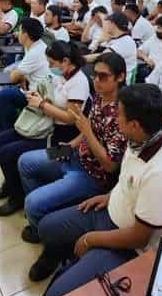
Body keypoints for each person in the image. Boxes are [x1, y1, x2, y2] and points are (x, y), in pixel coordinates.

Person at [36, 84, 162, 296]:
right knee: (47, 227)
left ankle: (76, 267)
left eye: (119, 115)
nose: (115, 118)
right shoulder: (142, 137)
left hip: (133, 248)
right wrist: (109, 196)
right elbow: (128, 176)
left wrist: (91, 238)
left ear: (134, 125)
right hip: (112, 209)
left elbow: (139, 238)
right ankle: (70, 263)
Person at [19, 52, 127, 251]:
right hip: (75, 155)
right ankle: (44, 215)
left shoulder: (123, 113)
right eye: (94, 75)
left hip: (92, 175)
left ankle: (45, 234)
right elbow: (87, 133)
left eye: (103, 77)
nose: (96, 81)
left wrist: (86, 131)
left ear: (120, 77)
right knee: (26, 161)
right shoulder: (99, 98)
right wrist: (69, 147)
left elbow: (110, 165)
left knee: (33, 202)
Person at [0, 41, 89, 216]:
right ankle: (12, 184)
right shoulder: (62, 75)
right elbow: (52, 98)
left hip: (61, 140)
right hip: (45, 125)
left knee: (8, 153)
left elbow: (71, 119)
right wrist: (38, 96)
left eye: (52, 63)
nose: (50, 67)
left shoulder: (79, 82)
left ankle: (18, 197)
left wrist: (42, 104)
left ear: (65, 61)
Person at [0, 18, 50, 154]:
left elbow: (13, 76)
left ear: (26, 34)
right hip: (31, 89)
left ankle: (8, 136)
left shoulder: (35, 52)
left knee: (4, 96)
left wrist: (21, 77)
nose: (17, 34)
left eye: (19, 31)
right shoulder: (35, 46)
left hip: (39, 95)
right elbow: (22, 75)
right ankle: (3, 135)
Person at [86, 12, 137, 84]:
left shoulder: (125, 41)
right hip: (110, 71)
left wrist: (81, 59)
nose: (106, 25)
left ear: (113, 24)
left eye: (108, 23)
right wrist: (98, 43)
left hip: (119, 81)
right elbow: (93, 50)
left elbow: (101, 57)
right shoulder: (115, 38)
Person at [137, 15, 162, 83]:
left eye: (160, 28)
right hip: (150, 69)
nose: (157, 30)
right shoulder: (155, 37)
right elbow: (139, 51)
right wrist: (146, 58)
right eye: (157, 27)